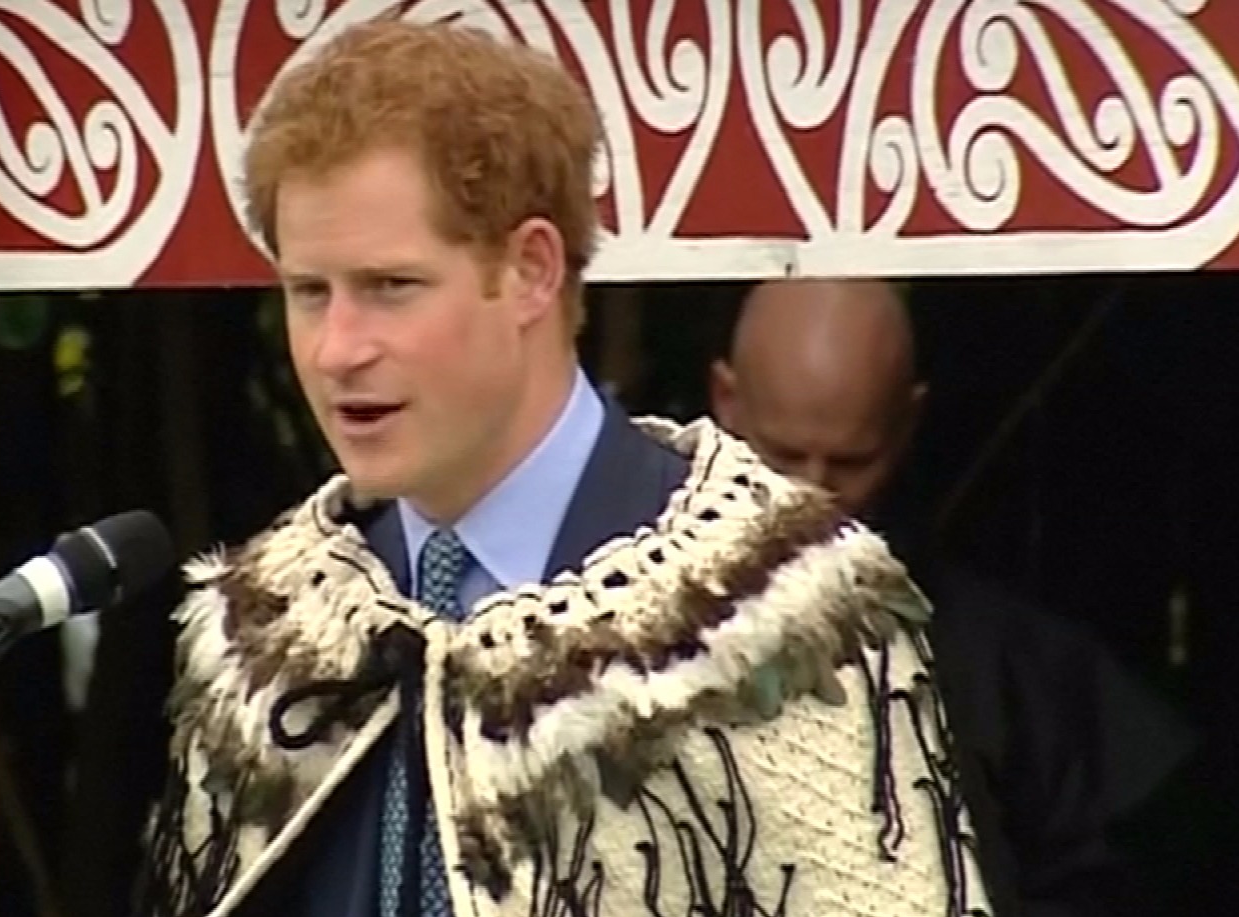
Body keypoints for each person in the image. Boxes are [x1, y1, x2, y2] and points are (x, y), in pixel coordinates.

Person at [136, 21, 996, 917]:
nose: (336, 349)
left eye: (392, 287)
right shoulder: (261, 633)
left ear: (532, 271)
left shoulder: (776, 610)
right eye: (309, 291)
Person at [709, 278, 1199, 917]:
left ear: (907, 421)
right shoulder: (620, 635)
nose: (814, 493)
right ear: (726, 401)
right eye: (784, 454)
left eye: (852, 461)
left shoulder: (1013, 667)